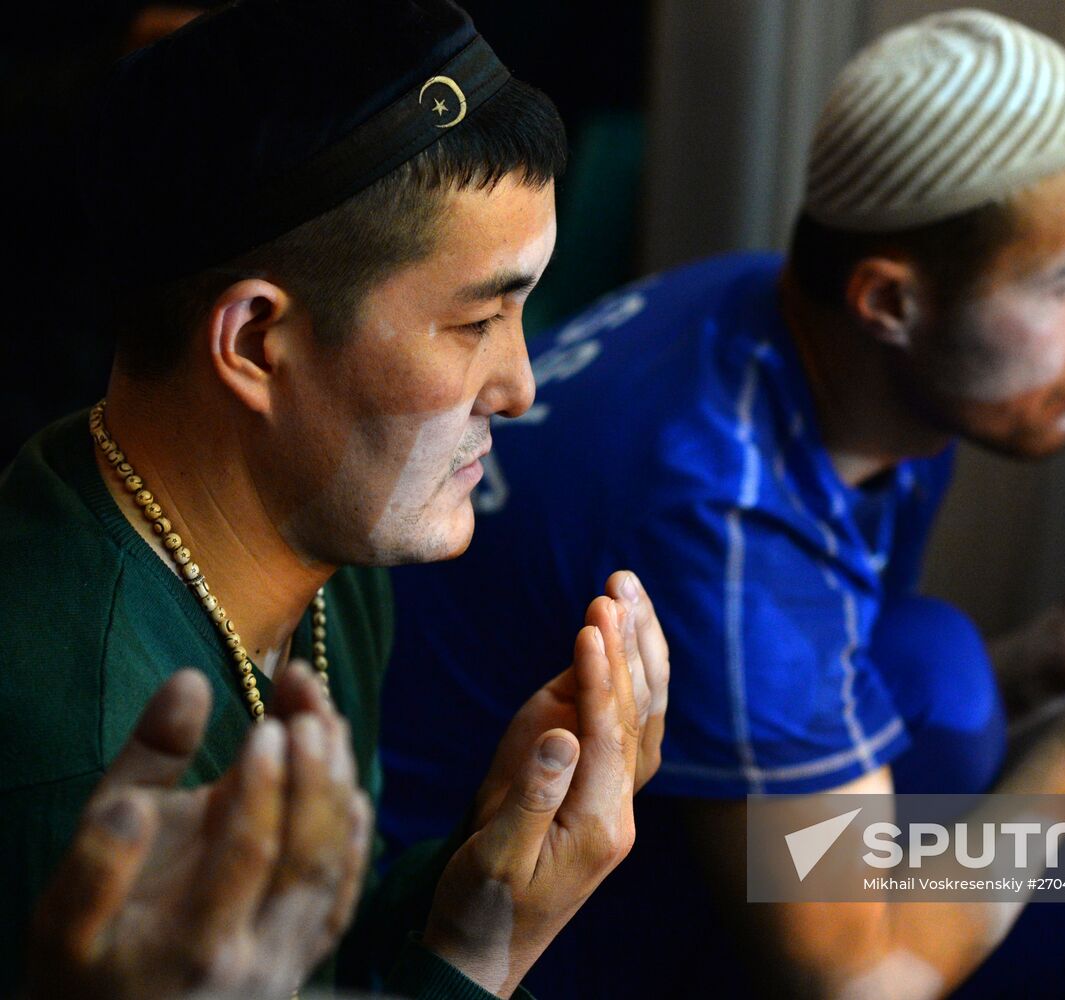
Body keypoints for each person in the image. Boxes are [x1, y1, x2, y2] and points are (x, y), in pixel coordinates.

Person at [379, 9, 1065, 999]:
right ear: (889, 304)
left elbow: (804, 677)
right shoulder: (728, 516)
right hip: (476, 913)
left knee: (941, 682)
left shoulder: (783, 329)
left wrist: (1052, 662)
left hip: (622, 798)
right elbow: (866, 984)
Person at [0, 1, 670, 998]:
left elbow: (324, 957)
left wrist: (477, 866)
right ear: (256, 343)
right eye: (477, 318)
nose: (521, 386)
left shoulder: (314, 534)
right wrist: (482, 950)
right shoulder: (83, 767)